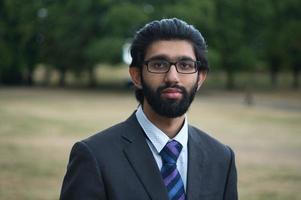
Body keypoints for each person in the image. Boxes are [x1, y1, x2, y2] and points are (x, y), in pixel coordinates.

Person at [60, 18, 238, 200]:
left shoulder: (221, 158)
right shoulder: (95, 157)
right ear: (136, 76)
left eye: (185, 65)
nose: (172, 77)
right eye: (159, 65)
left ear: (200, 77)